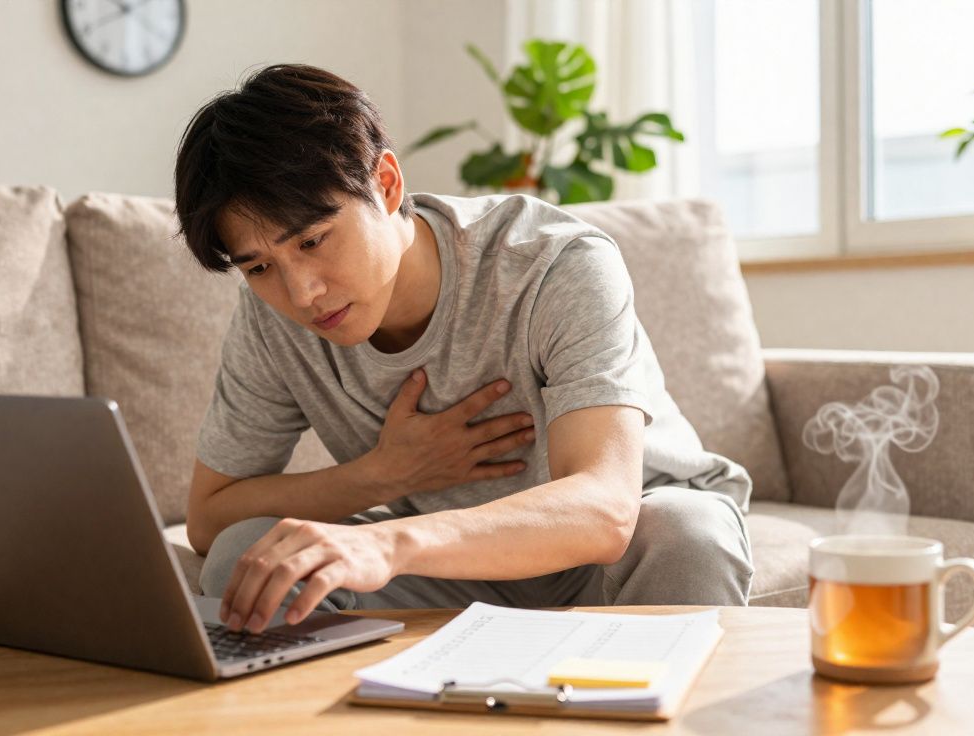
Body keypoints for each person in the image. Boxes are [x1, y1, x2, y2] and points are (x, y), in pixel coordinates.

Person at [172, 63, 754, 636]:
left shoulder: (554, 264)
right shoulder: (272, 320)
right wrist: (383, 475)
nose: (301, 293)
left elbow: (605, 511)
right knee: (245, 556)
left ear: (386, 184)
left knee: (688, 530)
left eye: (313, 240)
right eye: (260, 266)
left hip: (617, 552)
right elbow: (210, 517)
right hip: (453, 569)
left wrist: (389, 541)